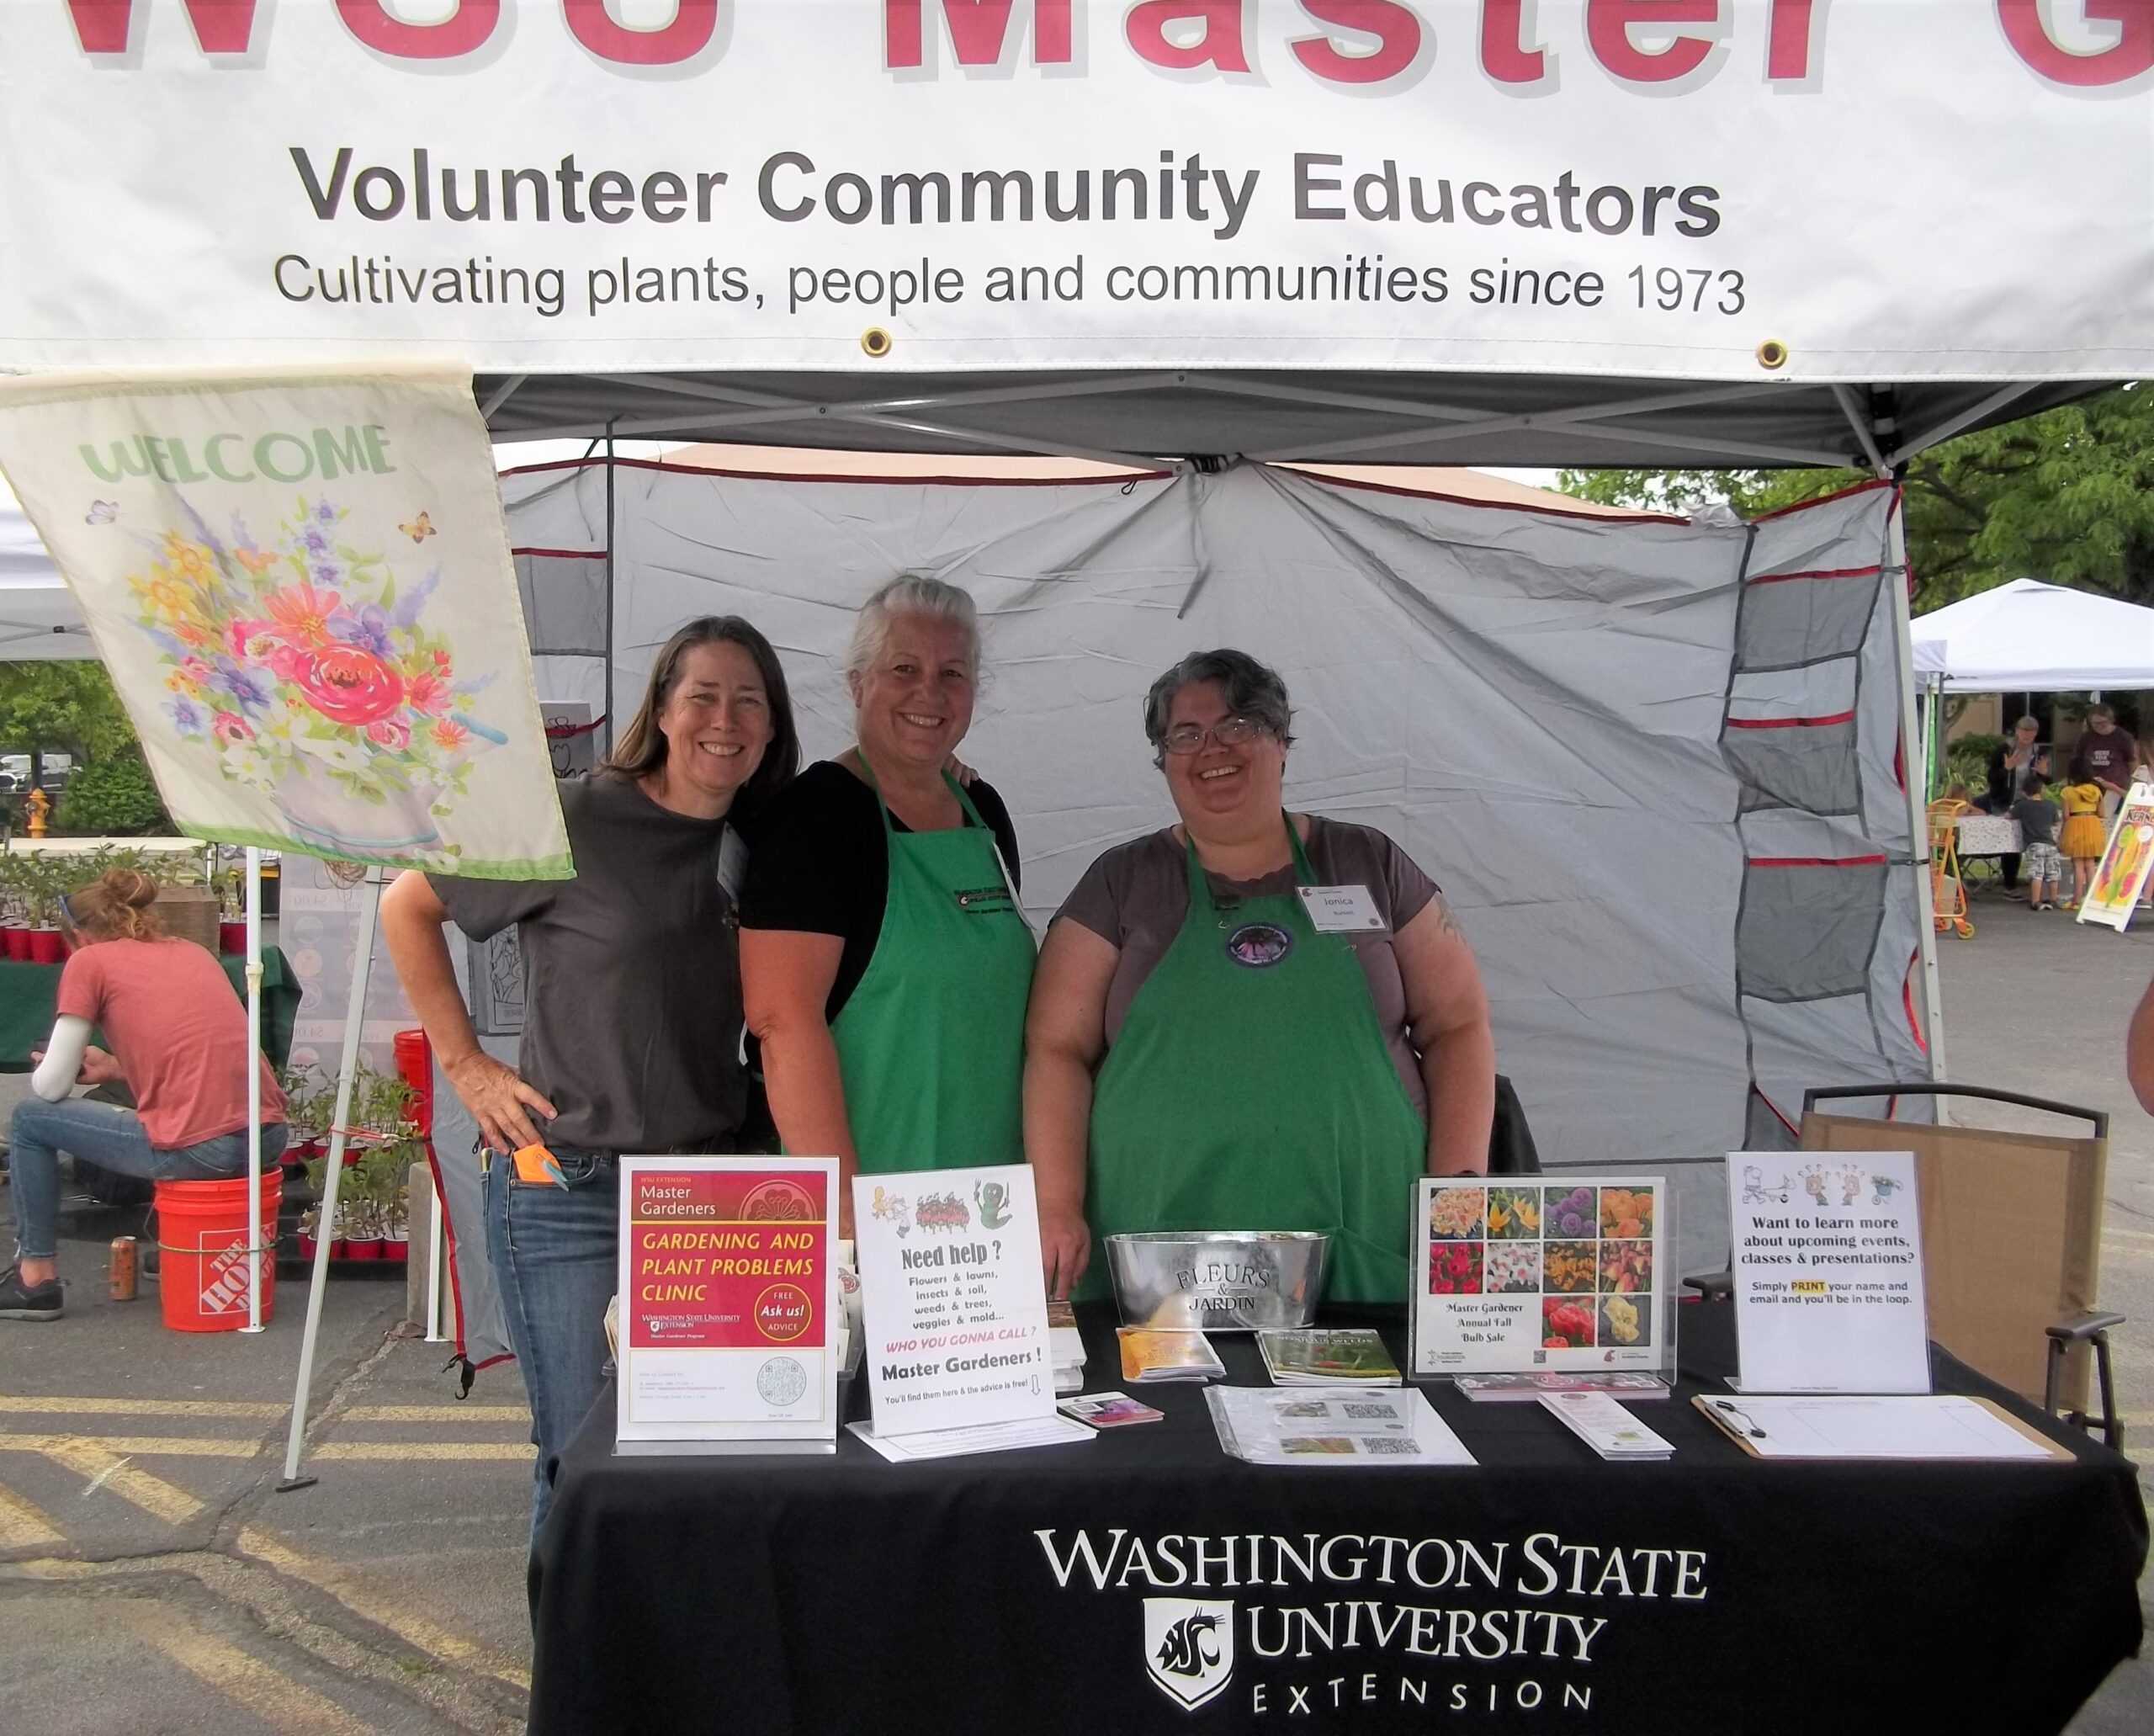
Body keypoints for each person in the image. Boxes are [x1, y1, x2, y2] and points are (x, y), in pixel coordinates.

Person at [381, 616, 796, 1542]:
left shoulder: (770, 841)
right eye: (703, 696)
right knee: (580, 1459)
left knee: (696, 1453)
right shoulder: (573, 817)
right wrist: (467, 1065)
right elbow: (407, 904)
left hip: (710, 1194)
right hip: (569, 1186)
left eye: (749, 701)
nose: (724, 720)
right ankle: (574, 1642)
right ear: (663, 708)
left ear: (773, 726)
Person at [1023, 648, 1496, 1305]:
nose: (1212, 748)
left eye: (1237, 725)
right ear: (1164, 759)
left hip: (1361, 1239)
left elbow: (1459, 1023)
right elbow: (1056, 1047)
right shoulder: (1120, 882)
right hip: (1158, 1251)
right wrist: (1055, 1200)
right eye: (1185, 734)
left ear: (1280, 740)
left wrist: (1460, 1193)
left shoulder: (1368, 861)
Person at [741, 578, 1032, 1219]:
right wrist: (845, 1211)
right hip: (873, 1203)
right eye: (904, 668)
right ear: (858, 684)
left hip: (989, 1208)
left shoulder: (984, 811)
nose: (930, 691)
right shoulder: (816, 819)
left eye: (952, 673)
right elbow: (782, 1023)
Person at [2, 868, 288, 1321]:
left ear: (78, 935)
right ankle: (179, 1250)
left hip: (206, 1148)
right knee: (173, 1119)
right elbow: (198, 1060)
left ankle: (35, 1277)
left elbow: (51, 1087)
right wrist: (114, 1067)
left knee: (30, 1120)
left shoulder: (89, 961)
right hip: (267, 1135)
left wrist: (52, 1063)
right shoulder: (192, 952)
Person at [1983, 717, 2047, 899]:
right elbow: (1991, 778)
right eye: (2024, 730)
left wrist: (2044, 775)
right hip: (2004, 801)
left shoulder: (2038, 752)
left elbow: (2044, 780)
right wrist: (2007, 768)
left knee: (2035, 839)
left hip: (2028, 802)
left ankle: (2037, 882)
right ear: (2017, 731)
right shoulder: (2004, 750)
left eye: (2031, 731)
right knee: (2010, 842)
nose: (2027, 734)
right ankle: (2010, 885)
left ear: (2036, 733)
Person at [2069, 705, 2141, 821]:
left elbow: (2133, 762)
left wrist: (2133, 784)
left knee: (2104, 819)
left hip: (2114, 787)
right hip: (2089, 785)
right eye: (2095, 723)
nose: (2099, 726)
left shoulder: (2123, 737)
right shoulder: (2086, 737)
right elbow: (2077, 759)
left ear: (2111, 720)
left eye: (2102, 723)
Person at [2009, 772, 2063, 910]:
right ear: (2042, 790)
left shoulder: (2022, 805)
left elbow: (2009, 816)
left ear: (2024, 792)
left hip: (2034, 845)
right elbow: (2057, 822)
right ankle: (2053, 899)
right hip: (2050, 844)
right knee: (2053, 873)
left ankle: (2035, 900)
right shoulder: (2050, 805)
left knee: (2037, 873)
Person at [2058, 770, 2106, 910]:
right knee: (2090, 864)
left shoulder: (2067, 791)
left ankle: (2076, 900)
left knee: (2078, 865)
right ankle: (2092, 899)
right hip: (2093, 826)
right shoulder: (2096, 790)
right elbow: (2102, 813)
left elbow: (2066, 815)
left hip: (2075, 825)